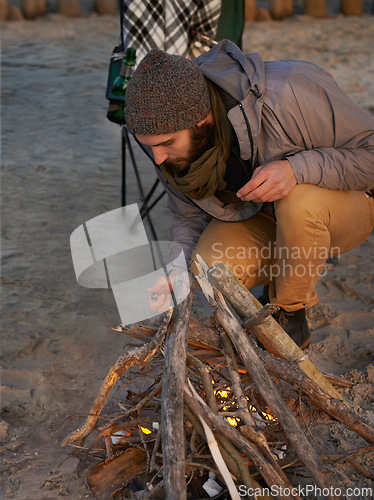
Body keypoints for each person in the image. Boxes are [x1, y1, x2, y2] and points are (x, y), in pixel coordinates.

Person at [124, 40, 374, 349]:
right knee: (208, 265)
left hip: (344, 209)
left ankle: (290, 314)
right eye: (149, 145)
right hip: (264, 218)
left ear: (202, 119)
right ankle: (265, 297)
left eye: (167, 143)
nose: (158, 158)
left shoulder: (290, 91)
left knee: (298, 200)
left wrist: (296, 170)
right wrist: (176, 271)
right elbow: (188, 215)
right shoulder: (164, 146)